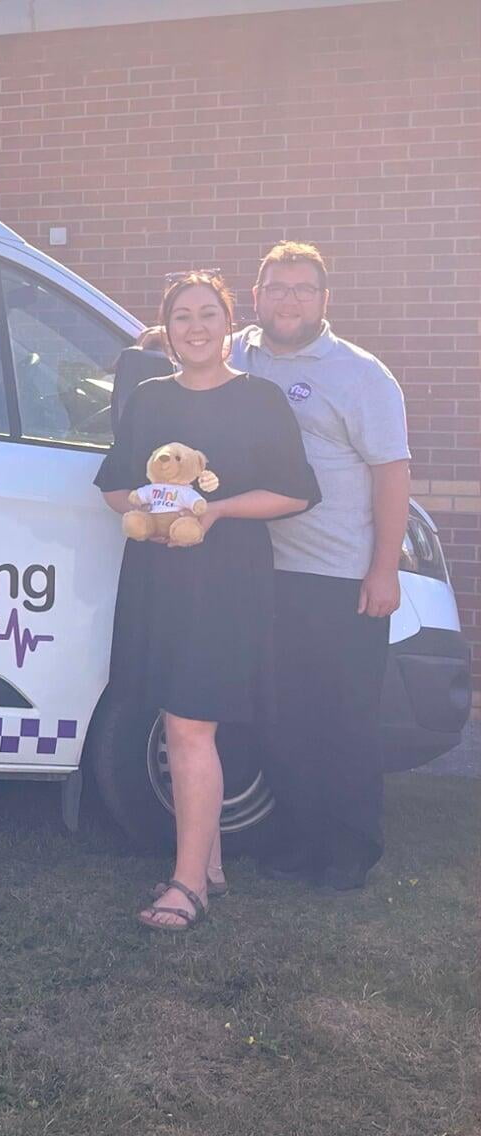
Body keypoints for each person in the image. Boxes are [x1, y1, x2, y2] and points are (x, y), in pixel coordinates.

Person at [94, 273, 318, 931]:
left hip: (226, 585)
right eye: (183, 316)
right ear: (167, 330)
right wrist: (150, 504)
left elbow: (297, 492)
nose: (196, 326)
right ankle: (211, 866)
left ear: (229, 324)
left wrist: (215, 510)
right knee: (176, 721)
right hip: (157, 579)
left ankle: (186, 885)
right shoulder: (148, 398)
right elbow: (112, 486)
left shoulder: (261, 399)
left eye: (208, 314)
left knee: (191, 726)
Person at [228, 242, 412, 891]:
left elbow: (392, 476)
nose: (289, 300)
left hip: (340, 578)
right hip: (260, 574)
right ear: (257, 296)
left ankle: (349, 851)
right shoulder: (235, 354)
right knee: (281, 718)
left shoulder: (361, 375)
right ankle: (299, 841)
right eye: (278, 287)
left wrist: (383, 571)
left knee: (345, 719)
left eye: (303, 289)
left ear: (325, 300)